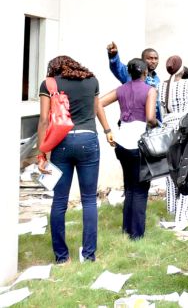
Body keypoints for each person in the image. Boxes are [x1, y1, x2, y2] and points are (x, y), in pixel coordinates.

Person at [36, 56, 110, 264]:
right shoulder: (92, 80)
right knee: (88, 200)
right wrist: (107, 130)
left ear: (55, 69)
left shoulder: (49, 84)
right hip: (89, 139)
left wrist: (41, 153)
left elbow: (43, 120)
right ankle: (88, 256)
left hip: (63, 142)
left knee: (59, 201)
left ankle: (62, 257)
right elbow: (97, 108)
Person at [100, 58, 158, 240]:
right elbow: (150, 117)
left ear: (130, 73)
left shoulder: (121, 89)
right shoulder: (150, 90)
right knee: (141, 189)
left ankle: (127, 229)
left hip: (121, 142)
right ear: (145, 73)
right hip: (140, 143)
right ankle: (137, 234)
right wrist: (157, 124)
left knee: (130, 187)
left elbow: (98, 103)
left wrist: (107, 129)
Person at [158, 56, 188, 226]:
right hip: (184, 131)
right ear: (182, 69)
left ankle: (172, 211)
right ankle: (183, 215)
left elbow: (161, 110)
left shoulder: (161, 85)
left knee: (170, 173)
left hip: (166, 130)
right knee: (186, 171)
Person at [107, 42, 161, 119]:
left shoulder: (157, 80)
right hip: (133, 121)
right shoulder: (131, 74)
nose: (153, 61)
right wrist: (113, 55)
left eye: (156, 58)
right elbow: (118, 67)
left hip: (151, 124)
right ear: (142, 60)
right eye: (150, 58)